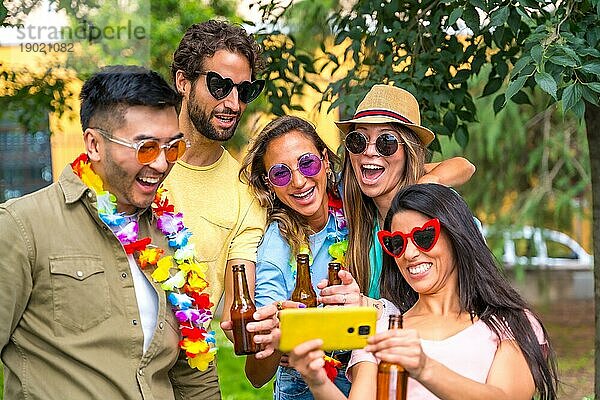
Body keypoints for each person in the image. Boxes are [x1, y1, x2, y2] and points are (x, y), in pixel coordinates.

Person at [0, 66, 220, 399]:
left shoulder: (172, 237)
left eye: (172, 148)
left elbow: (194, 373)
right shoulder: (22, 227)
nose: (162, 164)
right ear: (94, 144)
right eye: (145, 147)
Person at [234, 114, 474, 399]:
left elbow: (461, 166)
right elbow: (255, 375)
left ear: (324, 159)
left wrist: (424, 185)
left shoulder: (356, 195)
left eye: (307, 163)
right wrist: (281, 336)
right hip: (306, 384)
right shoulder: (277, 249)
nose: (298, 181)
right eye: (281, 174)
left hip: (373, 363)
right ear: (269, 183)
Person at [287, 183, 559, 400]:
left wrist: (423, 367)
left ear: (457, 235)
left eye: (423, 236)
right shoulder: (384, 328)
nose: (411, 253)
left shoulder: (509, 323)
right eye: (397, 243)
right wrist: (316, 379)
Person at [164, 20, 267, 338]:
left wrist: (276, 320)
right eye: (220, 86)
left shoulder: (245, 193)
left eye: (244, 91)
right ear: (183, 82)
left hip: (188, 354)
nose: (234, 104)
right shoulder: (136, 160)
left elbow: (239, 320)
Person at [335, 84, 475, 298]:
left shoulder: (434, 209)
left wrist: (429, 181)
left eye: (386, 142)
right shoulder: (357, 215)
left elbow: (466, 166)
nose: (369, 151)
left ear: (409, 151)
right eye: (358, 140)